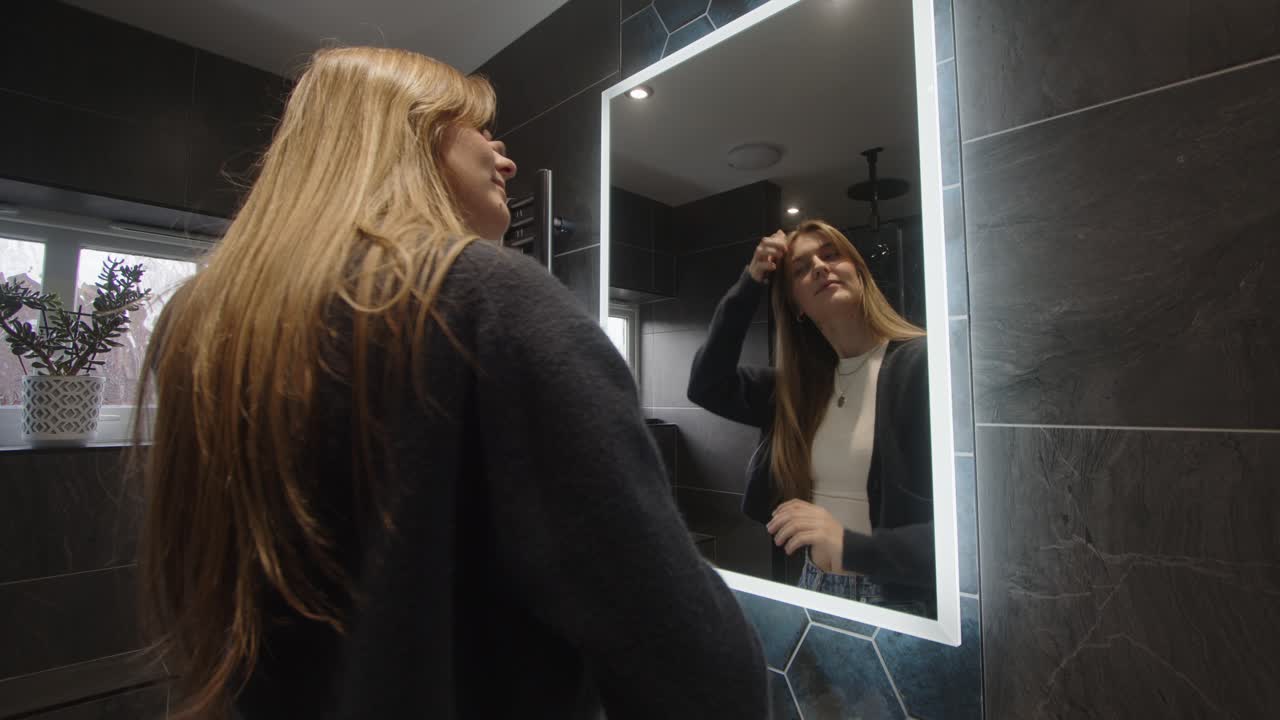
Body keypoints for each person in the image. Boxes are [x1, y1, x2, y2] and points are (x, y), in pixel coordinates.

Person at [135, 47, 767, 720]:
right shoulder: (485, 295)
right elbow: (694, 661)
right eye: (482, 131)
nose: (506, 160)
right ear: (409, 133)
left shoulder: (203, 322)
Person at [687, 219, 935, 617]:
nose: (820, 267)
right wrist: (751, 283)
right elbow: (706, 385)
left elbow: (963, 536)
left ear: (859, 272)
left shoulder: (922, 366)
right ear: (797, 307)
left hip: (896, 598)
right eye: (801, 269)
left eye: (831, 255)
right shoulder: (798, 392)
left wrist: (849, 545)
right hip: (813, 583)